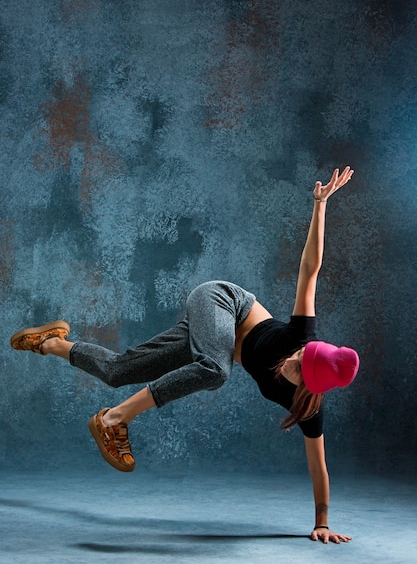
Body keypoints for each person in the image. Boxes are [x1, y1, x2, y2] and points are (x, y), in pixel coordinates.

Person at [10, 166, 359, 545]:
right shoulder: (301, 334)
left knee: (117, 370)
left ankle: (51, 342)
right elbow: (311, 269)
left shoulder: (307, 408)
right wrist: (320, 205)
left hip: (214, 341)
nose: (292, 360)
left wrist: (321, 522)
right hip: (221, 301)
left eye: (298, 368)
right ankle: (114, 418)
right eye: (300, 354)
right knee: (215, 371)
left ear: (309, 384)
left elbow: (318, 467)